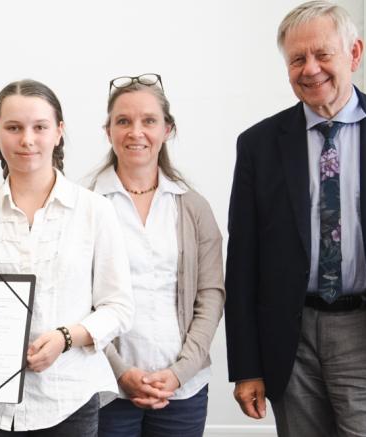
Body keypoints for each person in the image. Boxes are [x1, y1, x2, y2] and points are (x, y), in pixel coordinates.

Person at [225, 2, 366, 436]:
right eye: (296, 59)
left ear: (354, 52)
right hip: (291, 339)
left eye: (322, 54)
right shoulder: (258, 145)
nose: (310, 69)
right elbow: (243, 263)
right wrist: (247, 366)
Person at [0, 79, 133, 436]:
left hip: (67, 401)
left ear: (59, 132)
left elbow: (119, 308)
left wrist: (66, 337)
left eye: (40, 127)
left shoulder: (94, 211)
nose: (27, 140)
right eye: (14, 128)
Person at [90, 74, 224, 437]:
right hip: (103, 385)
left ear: (168, 129)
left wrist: (179, 372)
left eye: (149, 120)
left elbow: (210, 295)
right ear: (108, 131)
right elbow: (76, 302)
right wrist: (121, 372)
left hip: (183, 388)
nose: (136, 132)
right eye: (123, 121)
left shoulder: (194, 208)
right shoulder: (85, 206)